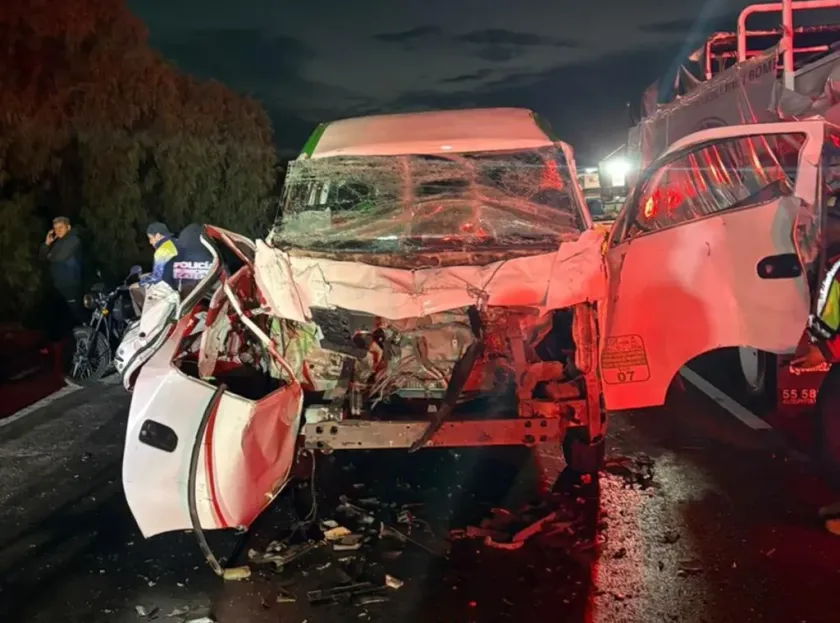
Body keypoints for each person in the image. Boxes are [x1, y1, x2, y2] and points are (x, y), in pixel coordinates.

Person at [39, 216, 84, 336]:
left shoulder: (73, 240)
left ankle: (86, 342)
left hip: (70, 285)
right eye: (55, 228)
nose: (58, 230)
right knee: (62, 320)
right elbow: (42, 258)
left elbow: (59, 257)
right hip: (58, 286)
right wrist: (47, 244)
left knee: (76, 317)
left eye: (61, 227)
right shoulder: (57, 243)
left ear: (68, 227)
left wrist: (50, 255)